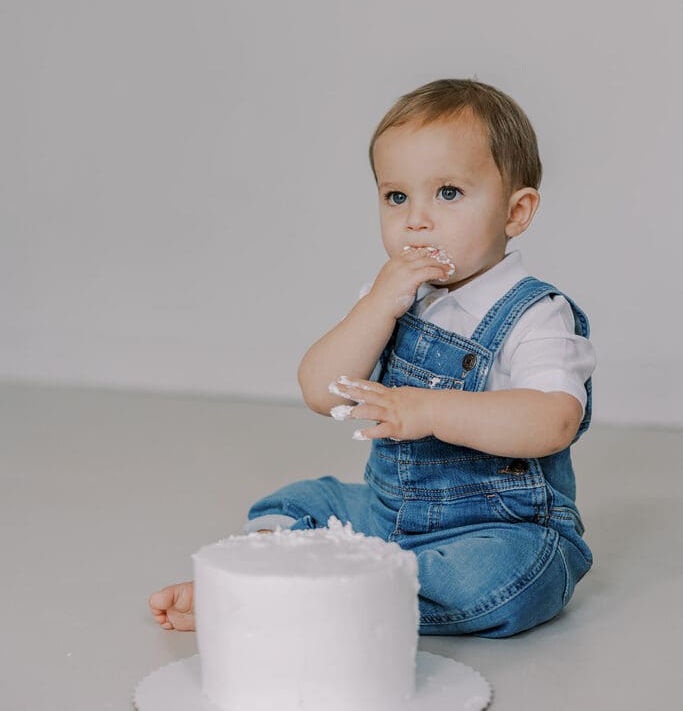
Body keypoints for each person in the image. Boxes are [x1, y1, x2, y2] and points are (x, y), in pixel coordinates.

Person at [150, 78, 596, 638]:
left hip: (499, 527)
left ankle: (314, 595)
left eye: (449, 193)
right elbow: (320, 389)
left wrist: (431, 412)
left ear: (516, 212)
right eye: (397, 197)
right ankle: (258, 579)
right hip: (392, 516)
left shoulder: (535, 313)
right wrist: (380, 304)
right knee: (302, 501)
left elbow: (553, 419)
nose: (416, 219)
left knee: (503, 581)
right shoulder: (393, 298)